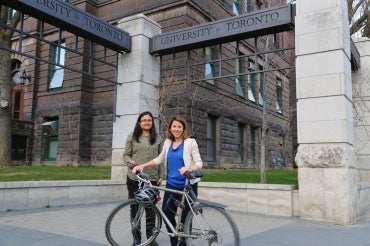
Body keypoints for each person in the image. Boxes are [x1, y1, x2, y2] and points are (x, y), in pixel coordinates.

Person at [133, 115, 203, 246]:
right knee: (166, 213)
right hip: (171, 186)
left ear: (183, 129)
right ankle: (174, 240)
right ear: (170, 128)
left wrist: (189, 169)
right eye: (174, 126)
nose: (176, 129)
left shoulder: (190, 142)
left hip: (187, 186)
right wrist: (142, 165)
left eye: (179, 127)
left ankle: (184, 242)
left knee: (185, 218)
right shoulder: (167, 142)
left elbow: (199, 162)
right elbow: (159, 159)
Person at [123, 111, 164, 246]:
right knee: (135, 208)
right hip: (135, 178)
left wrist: (161, 175)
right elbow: (126, 155)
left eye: (149, 120)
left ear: (152, 123)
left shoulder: (158, 138)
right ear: (139, 123)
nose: (147, 122)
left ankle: (151, 238)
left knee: (151, 209)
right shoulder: (132, 136)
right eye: (144, 120)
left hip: (151, 179)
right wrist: (130, 162)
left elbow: (161, 159)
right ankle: (136, 238)